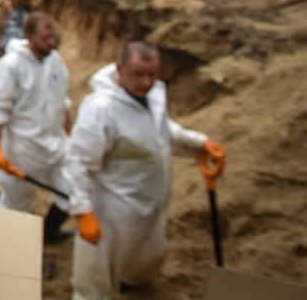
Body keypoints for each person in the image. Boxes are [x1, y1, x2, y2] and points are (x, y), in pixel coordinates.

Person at [64, 42, 225, 299]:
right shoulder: (101, 108)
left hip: (149, 200)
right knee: (96, 275)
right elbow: (79, 162)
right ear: (120, 69)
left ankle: (134, 285)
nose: (147, 81)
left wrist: (199, 144)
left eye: (153, 74)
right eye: (138, 74)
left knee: (146, 256)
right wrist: (83, 211)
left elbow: (162, 132)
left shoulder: (154, 94)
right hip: (113, 208)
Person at [0, 11, 73, 242]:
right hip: (22, 150)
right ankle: (8, 249)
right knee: (15, 205)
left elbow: (63, 102)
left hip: (55, 146)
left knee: (71, 191)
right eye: (46, 38)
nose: (51, 42)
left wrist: (69, 134)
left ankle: (49, 232)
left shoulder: (55, 61)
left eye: (53, 37)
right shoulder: (9, 66)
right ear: (29, 36)